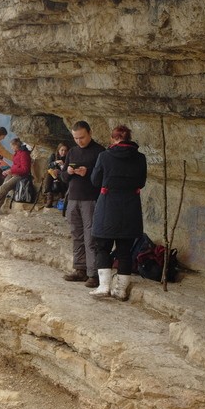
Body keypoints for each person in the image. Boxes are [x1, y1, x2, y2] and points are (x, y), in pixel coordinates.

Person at [89, 125, 147, 300]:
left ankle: (104, 286)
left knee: (102, 247)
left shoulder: (105, 156)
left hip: (108, 206)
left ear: (114, 139)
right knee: (125, 250)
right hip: (130, 207)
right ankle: (120, 290)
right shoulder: (140, 158)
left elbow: (95, 180)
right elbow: (141, 182)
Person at [60, 121, 106, 287]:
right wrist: (69, 172)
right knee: (76, 234)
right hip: (73, 198)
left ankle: (93, 274)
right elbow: (63, 177)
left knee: (91, 236)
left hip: (90, 199)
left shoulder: (100, 152)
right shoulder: (72, 152)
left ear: (90, 133)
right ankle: (80, 269)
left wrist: (88, 173)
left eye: (82, 137)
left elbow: (103, 178)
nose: (79, 141)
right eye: (76, 138)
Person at [0, 137, 31, 215]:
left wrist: (11, 170)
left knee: (2, 189)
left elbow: (25, 169)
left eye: (12, 146)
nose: (11, 148)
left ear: (16, 145)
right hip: (12, 173)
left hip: (20, 176)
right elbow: (16, 165)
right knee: (3, 190)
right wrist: (9, 171)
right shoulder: (18, 153)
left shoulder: (24, 154)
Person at [45, 142, 68, 208]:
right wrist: (55, 162)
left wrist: (61, 169)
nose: (63, 152)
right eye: (62, 150)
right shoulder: (54, 156)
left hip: (62, 175)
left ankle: (62, 197)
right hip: (53, 175)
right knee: (48, 174)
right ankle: (49, 197)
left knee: (63, 177)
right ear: (58, 150)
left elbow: (67, 170)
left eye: (65, 150)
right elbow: (49, 165)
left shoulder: (68, 157)